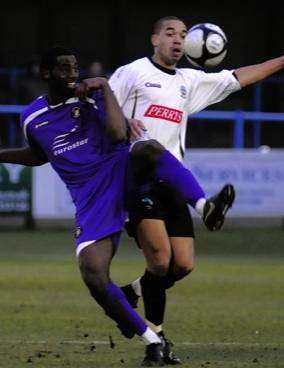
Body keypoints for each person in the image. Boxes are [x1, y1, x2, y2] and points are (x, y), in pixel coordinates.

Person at [0, 46, 236, 366]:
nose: (73, 75)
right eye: (64, 69)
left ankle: (204, 205)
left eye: (75, 68)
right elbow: (39, 155)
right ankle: (152, 341)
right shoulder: (32, 116)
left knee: (148, 148)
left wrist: (104, 87)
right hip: (90, 198)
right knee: (94, 275)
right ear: (45, 74)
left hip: (120, 173)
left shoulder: (91, 97)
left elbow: (117, 133)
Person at [108, 15, 284, 365]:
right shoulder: (132, 72)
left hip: (173, 182)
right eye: (170, 33)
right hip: (137, 176)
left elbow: (239, 77)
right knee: (159, 261)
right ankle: (156, 342)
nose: (178, 39)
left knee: (183, 265)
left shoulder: (190, 81)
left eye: (184, 34)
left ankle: (132, 292)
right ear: (154, 38)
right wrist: (124, 122)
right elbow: (102, 110)